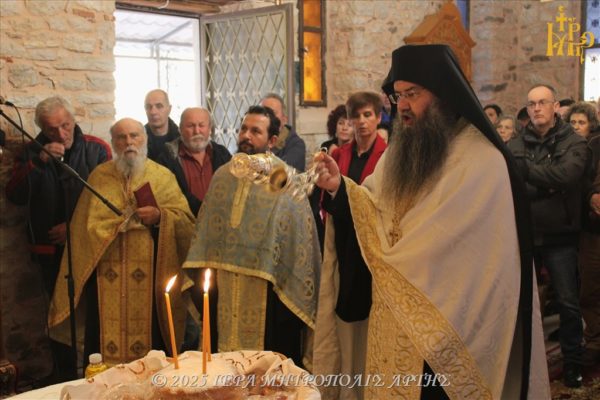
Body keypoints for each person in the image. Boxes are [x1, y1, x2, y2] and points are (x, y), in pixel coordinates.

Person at [313, 44, 549, 399]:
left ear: (443, 93)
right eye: (397, 95)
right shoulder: (400, 153)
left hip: (449, 331)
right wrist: (339, 189)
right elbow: (374, 207)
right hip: (392, 319)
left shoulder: (483, 162)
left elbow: (483, 262)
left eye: (413, 94)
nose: (402, 105)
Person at [48, 118, 195, 366]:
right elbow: (83, 229)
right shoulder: (99, 176)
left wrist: (160, 216)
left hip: (151, 278)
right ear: (113, 142)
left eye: (134, 136)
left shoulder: (162, 176)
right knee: (102, 345)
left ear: (144, 139)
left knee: (153, 349)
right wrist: (112, 227)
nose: (129, 142)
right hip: (105, 278)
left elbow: (185, 221)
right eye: (121, 137)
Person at [183, 105, 320, 368]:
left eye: (255, 131)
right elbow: (207, 231)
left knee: (265, 373)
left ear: (272, 141)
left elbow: (298, 241)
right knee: (223, 369)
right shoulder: (223, 175)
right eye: (243, 129)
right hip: (223, 286)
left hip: (268, 291)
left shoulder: (284, 179)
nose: (246, 135)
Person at [5, 96, 111, 382]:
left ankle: (95, 371)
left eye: (65, 125)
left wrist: (73, 227)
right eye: (52, 129)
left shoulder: (96, 148)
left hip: (89, 247)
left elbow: (106, 199)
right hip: (48, 250)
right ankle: (63, 375)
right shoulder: (31, 151)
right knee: (58, 315)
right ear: (42, 129)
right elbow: (15, 195)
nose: (61, 134)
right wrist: (38, 163)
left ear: (73, 119)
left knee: (95, 312)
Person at [508, 84, 588, 388]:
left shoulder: (573, 141)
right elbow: (510, 183)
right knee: (521, 303)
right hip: (525, 233)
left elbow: (567, 177)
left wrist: (528, 173)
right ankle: (524, 364)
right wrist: (548, 185)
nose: (537, 108)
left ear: (555, 107)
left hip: (560, 234)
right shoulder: (515, 144)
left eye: (543, 102)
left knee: (567, 302)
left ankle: (572, 363)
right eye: (532, 104)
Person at [156, 107, 231, 216]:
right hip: (185, 222)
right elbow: (170, 199)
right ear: (180, 129)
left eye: (201, 125)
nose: (197, 131)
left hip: (220, 220)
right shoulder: (167, 160)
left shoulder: (222, 154)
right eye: (190, 126)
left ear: (209, 129)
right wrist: (204, 212)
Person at [569, 102, 600, 368]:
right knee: (589, 287)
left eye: (582, 121)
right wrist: (592, 196)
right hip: (592, 229)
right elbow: (582, 179)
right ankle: (594, 341)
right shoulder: (592, 145)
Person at [260, 93, 306, 171]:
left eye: (272, 113)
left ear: (284, 120)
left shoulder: (296, 145)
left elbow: (282, 173)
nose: (266, 118)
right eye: (262, 113)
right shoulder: (254, 139)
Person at [144, 89, 180, 160]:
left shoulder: (182, 139)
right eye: (148, 107)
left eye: (159, 106)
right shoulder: (137, 140)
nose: (153, 112)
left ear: (169, 109)